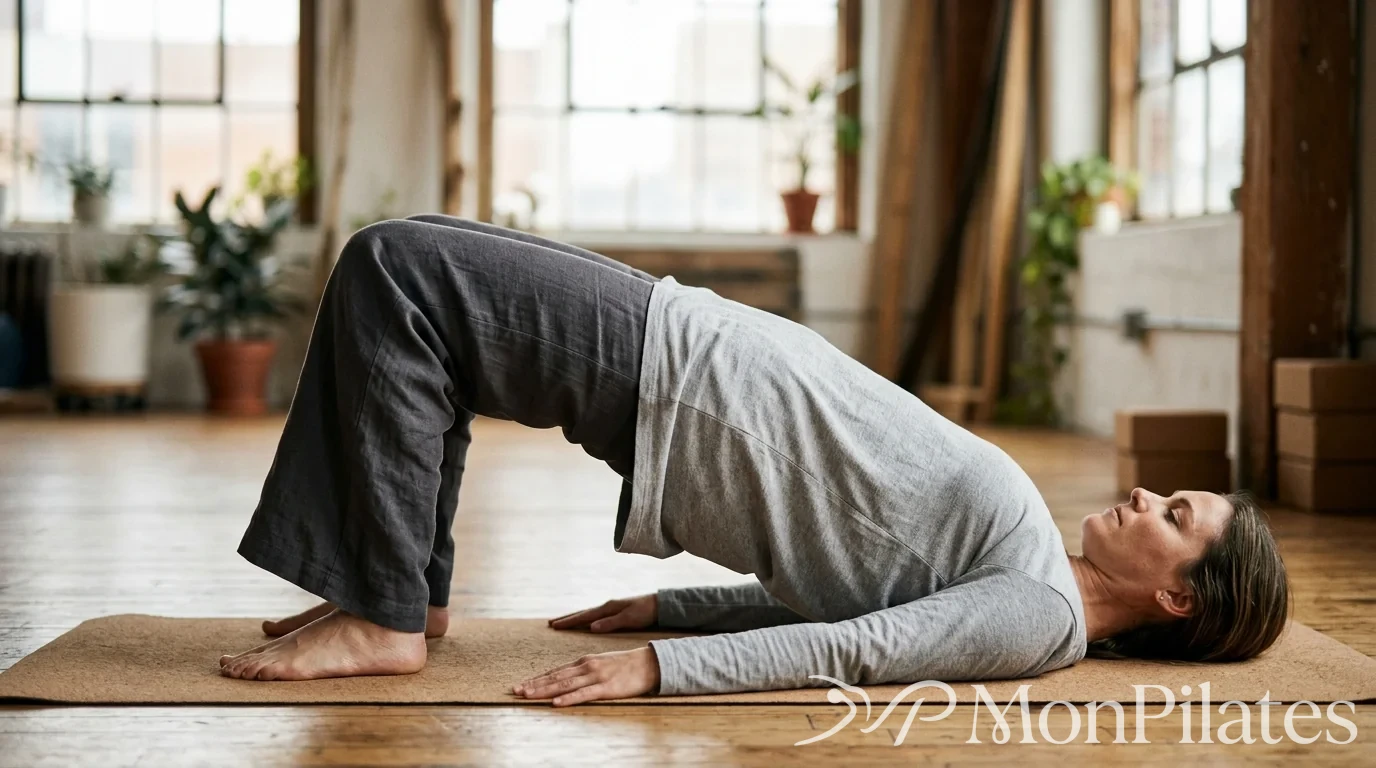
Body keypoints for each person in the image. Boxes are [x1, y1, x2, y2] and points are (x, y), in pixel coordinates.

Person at [218, 216, 1291, 707]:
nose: (1149, 492)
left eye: (1177, 513)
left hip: (679, 379)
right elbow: (849, 593)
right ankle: (397, 594)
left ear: (1174, 598)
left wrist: (661, 671)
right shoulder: (1027, 589)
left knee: (396, 271)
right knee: (416, 292)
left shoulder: (1038, 619)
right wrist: (676, 613)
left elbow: (863, 646)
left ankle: (388, 614)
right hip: (691, 362)